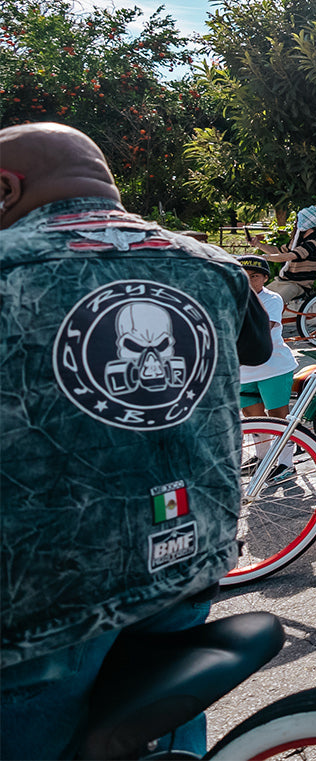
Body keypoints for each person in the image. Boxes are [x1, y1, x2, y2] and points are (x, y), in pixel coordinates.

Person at [1, 122, 272, 760]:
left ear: (5, 187)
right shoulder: (214, 263)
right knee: (165, 712)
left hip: (41, 587)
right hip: (189, 550)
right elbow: (256, 348)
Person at [237, 254, 301, 483]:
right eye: (242, 276)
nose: (248, 281)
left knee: (278, 417)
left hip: (273, 366)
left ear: (264, 278)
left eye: (254, 276)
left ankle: (286, 464)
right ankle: (262, 458)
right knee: (252, 417)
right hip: (244, 370)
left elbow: (265, 326)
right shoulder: (229, 298)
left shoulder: (271, 299)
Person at [249, 205, 316, 303]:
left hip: (298, 285)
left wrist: (265, 258)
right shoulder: (297, 239)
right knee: (256, 298)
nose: (295, 223)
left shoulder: (314, 241)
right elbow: (278, 252)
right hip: (283, 281)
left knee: (272, 302)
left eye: (298, 220)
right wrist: (258, 244)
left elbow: (289, 256)